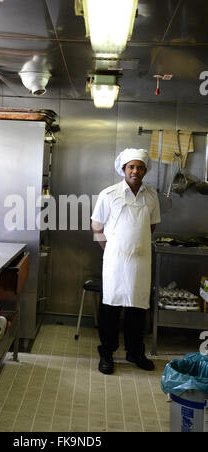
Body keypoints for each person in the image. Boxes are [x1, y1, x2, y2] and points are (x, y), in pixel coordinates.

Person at [91, 148, 161, 375]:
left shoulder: (151, 196)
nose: (136, 171)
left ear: (145, 170)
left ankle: (135, 353)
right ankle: (107, 354)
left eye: (140, 167)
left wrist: (135, 244)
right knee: (110, 307)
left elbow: (151, 226)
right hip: (115, 261)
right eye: (131, 166)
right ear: (123, 169)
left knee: (137, 308)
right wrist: (112, 248)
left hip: (140, 261)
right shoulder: (109, 194)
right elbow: (97, 227)